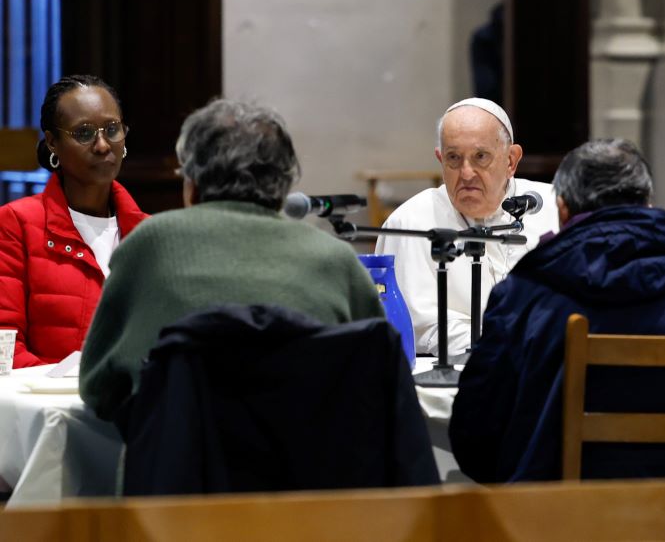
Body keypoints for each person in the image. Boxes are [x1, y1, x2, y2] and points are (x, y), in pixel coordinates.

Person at [449, 139, 665, 483]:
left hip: (557, 517)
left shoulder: (522, 294)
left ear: (562, 209)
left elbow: (475, 433)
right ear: (647, 203)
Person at [80, 99, 384, 421]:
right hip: (311, 465)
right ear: (283, 188)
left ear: (193, 185)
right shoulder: (337, 260)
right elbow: (379, 379)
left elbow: (99, 387)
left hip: (178, 466)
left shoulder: (152, 244)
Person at [375, 98, 558, 355]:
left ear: (511, 161)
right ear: (440, 160)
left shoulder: (553, 207)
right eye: (454, 158)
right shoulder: (409, 222)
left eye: (480, 157)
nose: (467, 173)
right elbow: (416, 326)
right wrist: (507, 342)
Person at [0, 75, 146, 368]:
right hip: (49, 407)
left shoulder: (150, 233)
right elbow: (5, 347)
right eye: (84, 133)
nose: (103, 145)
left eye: (112, 129)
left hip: (137, 406)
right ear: (53, 142)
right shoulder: (16, 223)